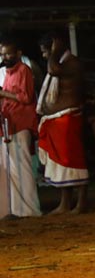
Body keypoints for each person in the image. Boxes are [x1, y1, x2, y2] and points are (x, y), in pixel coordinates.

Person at [37, 32, 89, 214]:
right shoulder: (61, 63)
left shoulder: (72, 63)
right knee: (60, 163)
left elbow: (53, 70)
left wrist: (54, 51)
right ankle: (65, 203)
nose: (45, 56)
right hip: (56, 119)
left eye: (45, 52)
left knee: (73, 160)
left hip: (68, 117)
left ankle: (81, 203)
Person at [0, 39, 42, 218]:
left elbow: (25, 97)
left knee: (22, 169)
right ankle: (13, 210)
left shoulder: (24, 70)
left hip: (21, 123)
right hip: (8, 125)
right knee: (10, 170)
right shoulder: (7, 72)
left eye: (8, 53)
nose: (5, 57)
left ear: (18, 54)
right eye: (3, 54)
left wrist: (2, 93)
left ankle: (29, 210)